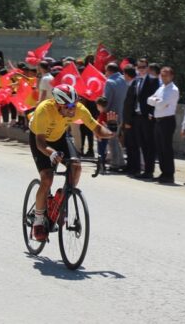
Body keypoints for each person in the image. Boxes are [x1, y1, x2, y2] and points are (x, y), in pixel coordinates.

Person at [28, 84, 118, 241]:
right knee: (47, 178)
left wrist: (112, 130)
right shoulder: (44, 110)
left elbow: (97, 130)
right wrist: (52, 153)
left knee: (76, 167)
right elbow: (41, 144)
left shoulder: (79, 109)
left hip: (59, 138)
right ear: (57, 104)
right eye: (68, 106)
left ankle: (60, 200)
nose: (72, 110)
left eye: (74, 105)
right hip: (40, 140)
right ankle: (38, 221)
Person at [147, 66, 179, 184]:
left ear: (171, 76)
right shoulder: (161, 88)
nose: (164, 77)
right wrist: (156, 101)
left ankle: (169, 174)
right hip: (158, 120)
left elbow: (162, 104)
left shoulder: (173, 89)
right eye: (162, 74)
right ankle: (163, 172)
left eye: (166, 75)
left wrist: (156, 101)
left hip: (167, 120)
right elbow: (149, 100)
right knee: (160, 148)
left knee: (166, 148)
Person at [130, 60, 160, 179]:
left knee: (149, 144)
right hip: (137, 116)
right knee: (141, 143)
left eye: (143, 67)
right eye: (139, 67)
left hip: (147, 117)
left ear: (147, 68)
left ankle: (149, 171)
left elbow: (156, 97)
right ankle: (142, 170)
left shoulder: (153, 81)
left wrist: (151, 113)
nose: (141, 69)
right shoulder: (137, 81)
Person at [103, 63, 128, 171]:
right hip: (122, 114)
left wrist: (102, 109)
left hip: (112, 115)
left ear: (109, 71)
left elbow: (106, 101)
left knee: (112, 139)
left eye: (106, 71)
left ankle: (115, 163)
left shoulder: (109, 82)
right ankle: (121, 161)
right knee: (116, 138)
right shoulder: (124, 80)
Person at [120, 64, 141, 175]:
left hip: (131, 121)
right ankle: (130, 166)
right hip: (128, 120)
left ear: (127, 74)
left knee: (133, 145)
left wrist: (127, 122)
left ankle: (135, 167)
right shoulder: (131, 84)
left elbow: (130, 105)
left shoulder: (134, 85)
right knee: (128, 145)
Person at [95, 96, 110, 173]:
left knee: (101, 151)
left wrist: (99, 135)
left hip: (101, 136)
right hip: (103, 135)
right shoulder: (104, 114)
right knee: (102, 151)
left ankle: (101, 166)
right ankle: (102, 166)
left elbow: (102, 126)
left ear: (99, 106)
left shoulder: (103, 115)